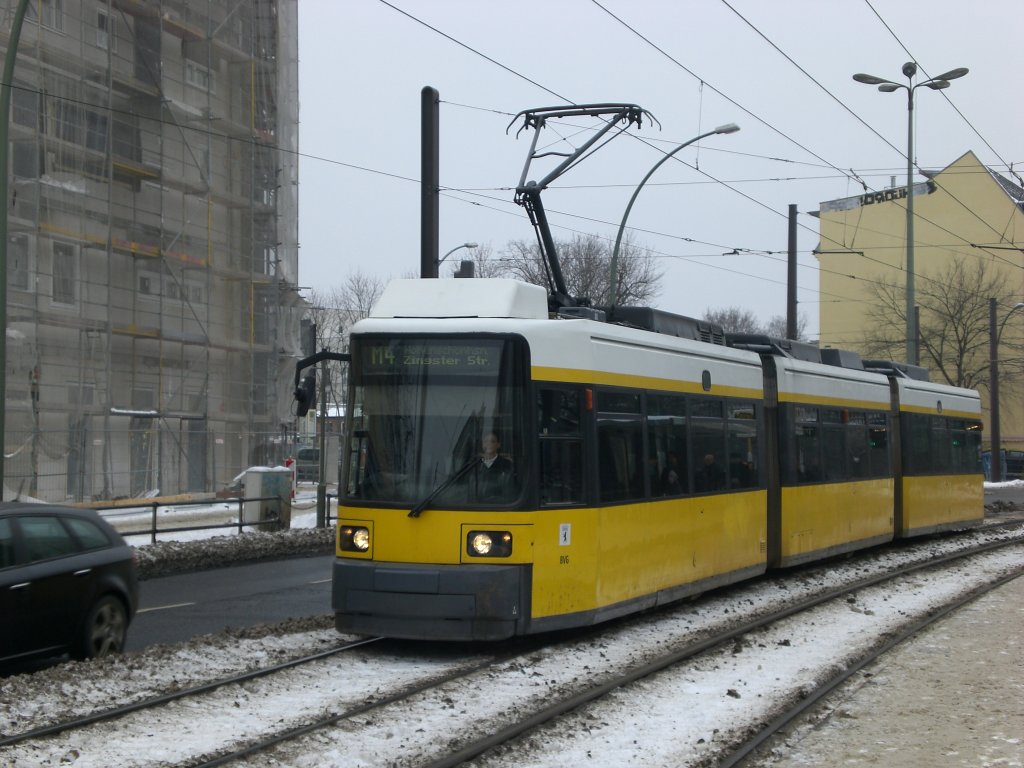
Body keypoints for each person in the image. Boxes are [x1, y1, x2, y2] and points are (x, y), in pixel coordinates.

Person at [472, 430, 517, 501]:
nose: (489, 444)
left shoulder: (507, 464)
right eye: (486, 441)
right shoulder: (474, 465)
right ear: (482, 444)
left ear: (498, 444)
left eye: (493, 441)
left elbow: (509, 490)